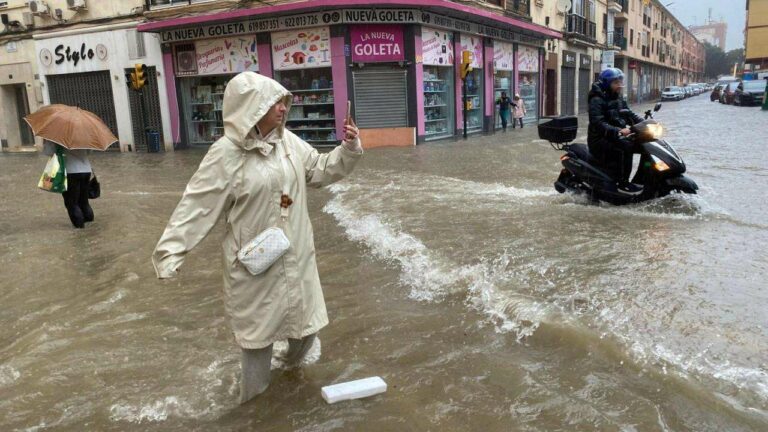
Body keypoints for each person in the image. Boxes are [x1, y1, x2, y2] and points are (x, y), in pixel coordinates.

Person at [151, 72, 362, 404]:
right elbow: (197, 205)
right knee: (257, 343)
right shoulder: (226, 154)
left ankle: (286, 373)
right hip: (255, 265)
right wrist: (171, 252)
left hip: (296, 256)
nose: (282, 108)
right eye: (274, 102)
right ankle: (251, 410)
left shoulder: (288, 143)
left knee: (306, 330)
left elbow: (319, 169)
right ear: (252, 107)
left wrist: (348, 149)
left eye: (282, 102)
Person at [587, 68, 644, 187]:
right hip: (599, 139)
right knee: (626, 148)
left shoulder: (618, 97)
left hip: (615, 136)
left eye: (620, 82)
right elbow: (597, 122)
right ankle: (622, 182)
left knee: (642, 145)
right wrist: (619, 131)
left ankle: (644, 179)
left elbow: (628, 114)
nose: (619, 85)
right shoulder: (596, 99)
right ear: (607, 83)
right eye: (616, 83)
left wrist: (645, 122)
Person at [42, 140, 94, 228]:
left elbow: (48, 152)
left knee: (72, 202)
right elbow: (89, 151)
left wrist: (46, 142)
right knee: (84, 200)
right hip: (86, 170)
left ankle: (79, 228)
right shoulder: (83, 135)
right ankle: (90, 224)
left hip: (70, 171)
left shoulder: (57, 137)